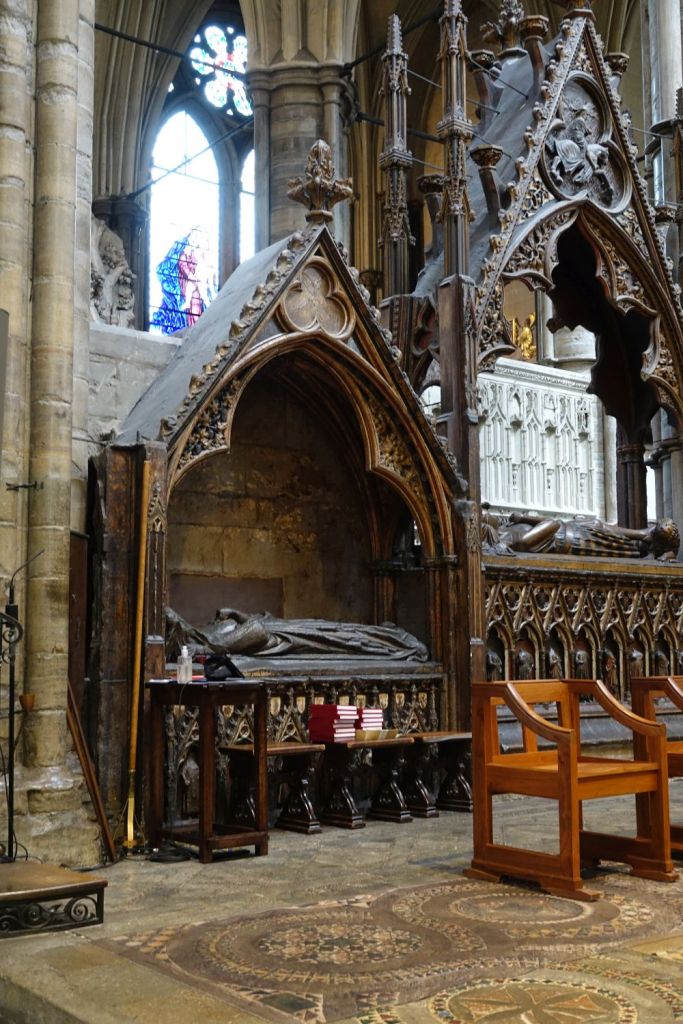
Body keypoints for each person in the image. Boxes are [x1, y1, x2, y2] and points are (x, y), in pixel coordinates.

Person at [166, 606, 429, 661]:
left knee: (336, 630)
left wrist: (236, 613)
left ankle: (385, 636)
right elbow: (256, 632)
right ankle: (387, 640)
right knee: (337, 634)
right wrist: (236, 615)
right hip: (286, 635)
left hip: (282, 629)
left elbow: (255, 628)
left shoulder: (202, 635)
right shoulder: (204, 642)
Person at [481, 509, 680, 561]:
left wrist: (523, 518)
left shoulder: (506, 531)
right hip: (571, 539)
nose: (487, 514)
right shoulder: (512, 541)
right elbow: (552, 524)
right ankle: (648, 539)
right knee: (609, 537)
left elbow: (551, 524)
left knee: (601, 526)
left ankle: (647, 536)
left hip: (570, 532)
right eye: (486, 516)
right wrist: (524, 517)